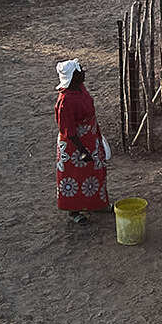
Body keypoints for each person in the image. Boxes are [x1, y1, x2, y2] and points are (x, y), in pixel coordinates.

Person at [54, 59, 110, 224]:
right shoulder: (66, 101)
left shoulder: (79, 89)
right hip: (74, 146)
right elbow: (69, 132)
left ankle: (96, 204)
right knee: (74, 176)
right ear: (73, 76)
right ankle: (74, 211)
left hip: (90, 138)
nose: (84, 72)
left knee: (95, 171)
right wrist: (82, 151)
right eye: (80, 71)